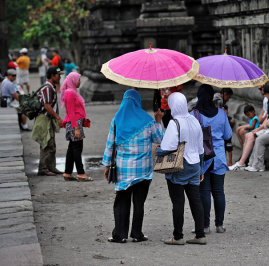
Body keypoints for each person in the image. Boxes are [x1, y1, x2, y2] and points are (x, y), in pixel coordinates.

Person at [103, 89, 164, 244]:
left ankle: (120, 235)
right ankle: (137, 234)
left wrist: (107, 166)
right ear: (138, 102)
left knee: (121, 202)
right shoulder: (147, 120)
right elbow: (159, 140)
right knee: (139, 203)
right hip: (143, 170)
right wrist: (158, 120)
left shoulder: (117, 119)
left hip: (123, 170)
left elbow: (110, 145)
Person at [157, 92, 206, 245]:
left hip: (179, 166)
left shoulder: (174, 123)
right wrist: (201, 169)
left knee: (178, 202)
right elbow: (201, 148)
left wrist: (158, 150)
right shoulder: (194, 120)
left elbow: (168, 147)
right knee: (196, 201)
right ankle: (200, 234)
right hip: (194, 165)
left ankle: (178, 236)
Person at [191, 84, 232, 233]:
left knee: (204, 191)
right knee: (219, 191)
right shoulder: (221, 113)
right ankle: (219, 225)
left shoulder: (194, 115)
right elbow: (228, 135)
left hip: (203, 157)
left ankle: (205, 225)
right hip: (219, 157)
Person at [229, 80, 269, 171]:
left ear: (268, 93)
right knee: (249, 135)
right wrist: (261, 127)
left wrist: (266, 125)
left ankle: (257, 165)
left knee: (259, 140)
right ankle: (249, 163)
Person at [32, 67, 64, 176]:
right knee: (46, 143)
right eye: (58, 75)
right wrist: (57, 117)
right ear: (52, 75)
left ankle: (51, 167)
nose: (59, 77)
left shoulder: (51, 87)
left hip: (47, 118)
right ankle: (43, 168)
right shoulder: (47, 88)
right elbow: (47, 105)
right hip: (44, 118)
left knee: (51, 143)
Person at [60, 72, 91, 182]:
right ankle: (81, 173)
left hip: (76, 122)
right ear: (73, 80)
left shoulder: (72, 92)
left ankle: (68, 173)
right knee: (77, 148)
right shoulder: (70, 93)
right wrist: (76, 128)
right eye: (78, 79)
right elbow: (71, 112)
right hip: (74, 123)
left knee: (72, 148)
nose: (80, 81)